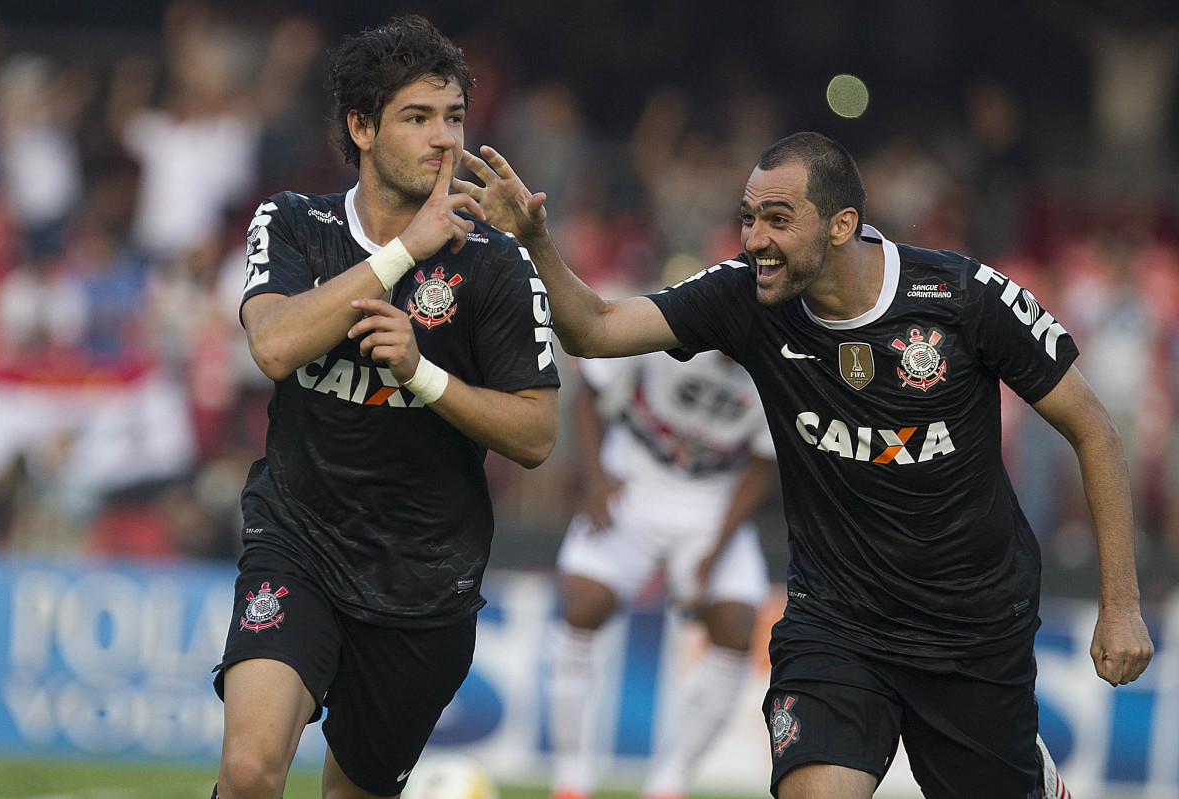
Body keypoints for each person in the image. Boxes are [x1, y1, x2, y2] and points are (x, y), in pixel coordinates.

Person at [456, 131, 1154, 799]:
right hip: (836, 625)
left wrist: (1120, 603)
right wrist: (537, 240)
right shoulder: (747, 297)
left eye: (778, 219)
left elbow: (1095, 429)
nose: (754, 238)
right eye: (749, 217)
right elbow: (597, 329)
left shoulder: (964, 298)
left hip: (968, 632)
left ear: (842, 223)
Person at [211, 16, 560, 799]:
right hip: (298, 540)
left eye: (454, 117)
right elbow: (273, 346)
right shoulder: (295, 221)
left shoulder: (497, 265)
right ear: (361, 128)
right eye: (417, 117)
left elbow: (537, 433)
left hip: (426, 583)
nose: (444, 139)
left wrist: (423, 374)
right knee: (249, 771)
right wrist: (404, 251)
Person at [550, 349, 776, 799]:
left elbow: (763, 463)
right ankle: (570, 776)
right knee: (582, 602)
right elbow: (586, 392)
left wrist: (714, 551)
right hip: (633, 477)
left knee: (736, 625)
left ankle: (670, 781)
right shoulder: (670, 319)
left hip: (713, 501)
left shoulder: (777, 357)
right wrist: (595, 480)